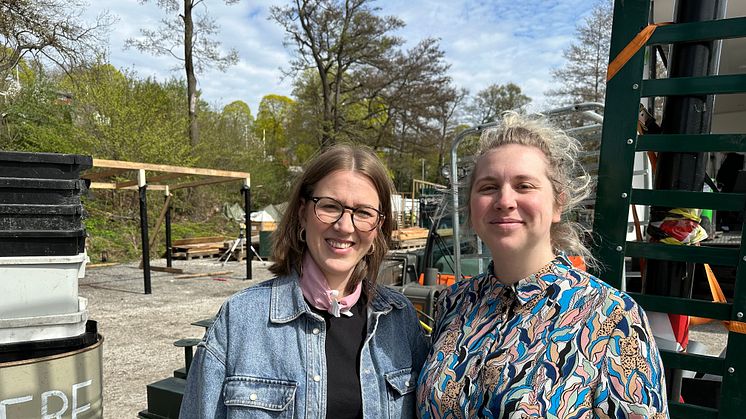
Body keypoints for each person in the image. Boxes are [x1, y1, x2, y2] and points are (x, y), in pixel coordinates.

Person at [417, 112, 668, 418]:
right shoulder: (454, 303)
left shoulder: (612, 317)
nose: (504, 200)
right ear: (471, 206)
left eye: (524, 186)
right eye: (487, 187)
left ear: (557, 205)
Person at [181, 144, 428, 418]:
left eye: (363, 213)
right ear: (302, 213)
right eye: (330, 206)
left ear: (378, 228)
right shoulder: (240, 320)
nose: (345, 226)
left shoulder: (400, 319)